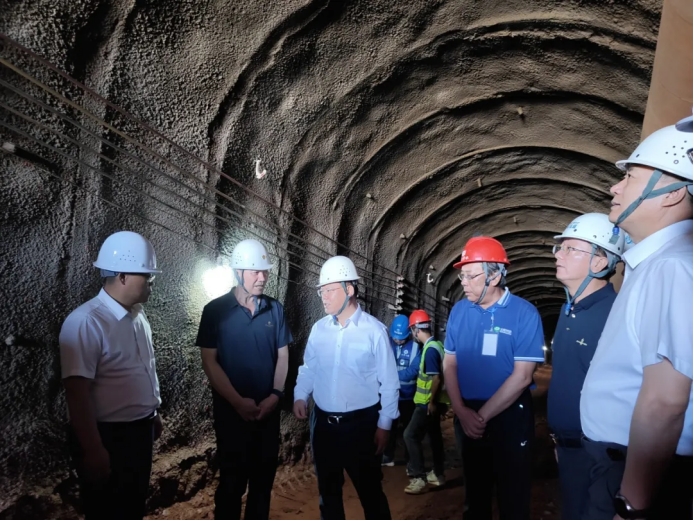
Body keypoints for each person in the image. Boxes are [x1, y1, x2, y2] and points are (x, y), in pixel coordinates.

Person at [580, 116, 693, 520]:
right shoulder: (656, 265)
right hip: (622, 464)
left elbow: (665, 401)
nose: (615, 187)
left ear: (671, 193)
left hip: (639, 477)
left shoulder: (672, 268)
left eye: (630, 176)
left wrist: (632, 506)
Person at [59, 230, 163, 520]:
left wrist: (153, 412)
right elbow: (77, 393)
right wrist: (93, 449)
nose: (152, 281)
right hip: (108, 436)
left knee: (132, 508)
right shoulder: (86, 322)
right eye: (147, 275)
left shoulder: (138, 316)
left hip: (139, 432)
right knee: (106, 511)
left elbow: (145, 367)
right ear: (122, 276)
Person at [442, 236, 545, 520]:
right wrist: (461, 410)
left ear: (495, 276)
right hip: (467, 413)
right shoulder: (459, 311)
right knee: (475, 496)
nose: (464, 282)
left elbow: (523, 376)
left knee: (513, 497)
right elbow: (449, 363)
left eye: (471, 276)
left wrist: (481, 417)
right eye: (461, 275)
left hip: (509, 415)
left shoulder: (524, 313)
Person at [293, 255, 399, 520]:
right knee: (328, 495)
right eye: (321, 291)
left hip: (361, 427)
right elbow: (309, 368)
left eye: (329, 290)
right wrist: (300, 395)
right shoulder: (319, 330)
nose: (324, 297)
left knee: (371, 493)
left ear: (349, 289)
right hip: (323, 426)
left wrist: (384, 424)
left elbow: (389, 382)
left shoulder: (374, 331)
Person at [196, 239, 292, 520]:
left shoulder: (275, 309)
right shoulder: (214, 311)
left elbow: (283, 355)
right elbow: (209, 361)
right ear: (238, 272)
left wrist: (275, 395)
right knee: (231, 484)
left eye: (265, 271)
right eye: (255, 272)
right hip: (231, 416)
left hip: (267, 414)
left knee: (262, 485)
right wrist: (238, 402)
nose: (262, 277)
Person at [546, 213, 625, 519]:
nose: (558, 255)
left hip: (603, 457)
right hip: (570, 450)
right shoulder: (569, 309)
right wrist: (562, 443)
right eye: (560, 248)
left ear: (599, 262)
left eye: (570, 249)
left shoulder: (616, 315)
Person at [403, 309, 450, 494]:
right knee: (434, 436)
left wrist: (431, 402)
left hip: (426, 403)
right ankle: (438, 474)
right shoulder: (437, 345)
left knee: (409, 435)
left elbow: (436, 378)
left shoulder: (429, 350)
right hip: (435, 402)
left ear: (416, 329)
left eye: (412, 330)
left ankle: (418, 477)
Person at [382, 314, 421, 468]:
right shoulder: (386, 344)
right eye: (396, 338)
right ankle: (387, 455)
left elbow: (414, 370)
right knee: (389, 427)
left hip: (408, 397)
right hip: (390, 396)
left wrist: (392, 376)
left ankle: (409, 459)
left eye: (401, 338)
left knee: (407, 429)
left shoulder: (416, 348)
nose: (398, 340)